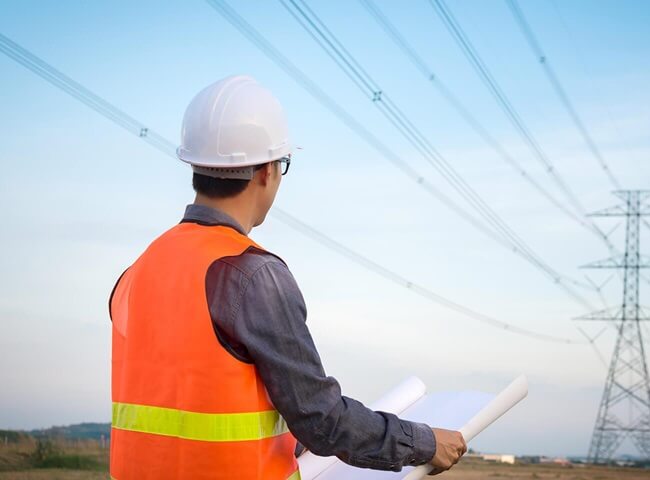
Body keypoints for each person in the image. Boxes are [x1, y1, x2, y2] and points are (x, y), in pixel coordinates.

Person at [108, 75, 466, 479]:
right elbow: (323, 421)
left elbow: (195, 400)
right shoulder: (252, 274)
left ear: (195, 165)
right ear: (266, 172)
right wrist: (425, 443)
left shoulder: (135, 273)